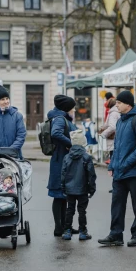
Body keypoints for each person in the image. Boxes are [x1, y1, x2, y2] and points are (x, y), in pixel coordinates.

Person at [98, 91, 136, 247]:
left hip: (135, 171)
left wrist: (127, 163)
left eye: (119, 103)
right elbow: (117, 146)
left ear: (128, 104)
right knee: (117, 204)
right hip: (120, 171)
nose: (117, 105)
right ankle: (116, 234)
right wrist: (113, 164)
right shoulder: (121, 121)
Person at [46, 95, 78, 237]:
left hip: (62, 160)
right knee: (59, 195)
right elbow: (56, 133)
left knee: (63, 195)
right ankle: (59, 227)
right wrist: (71, 144)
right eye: (72, 108)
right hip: (61, 161)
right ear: (66, 108)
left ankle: (66, 226)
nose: (74, 110)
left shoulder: (61, 117)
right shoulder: (60, 118)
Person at [61, 130, 97, 241]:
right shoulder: (86, 157)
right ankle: (82, 231)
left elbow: (63, 174)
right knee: (82, 211)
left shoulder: (67, 157)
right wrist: (92, 188)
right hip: (83, 189)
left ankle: (67, 230)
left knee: (69, 210)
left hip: (70, 189)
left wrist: (63, 187)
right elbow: (91, 175)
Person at [100, 98, 119, 168]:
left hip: (113, 139)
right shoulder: (115, 112)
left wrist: (103, 134)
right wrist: (102, 127)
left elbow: (112, 127)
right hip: (116, 138)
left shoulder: (113, 113)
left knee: (113, 160)